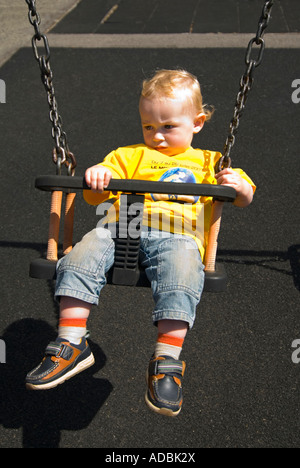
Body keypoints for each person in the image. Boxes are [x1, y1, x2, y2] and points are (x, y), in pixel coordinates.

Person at [26, 69, 255, 416]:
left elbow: (244, 196)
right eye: (148, 126)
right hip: (124, 222)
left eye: (168, 126)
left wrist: (238, 185)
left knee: (181, 278)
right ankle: (71, 343)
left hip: (179, 234)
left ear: (198, 122)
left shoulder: (211, 162)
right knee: (78, 258)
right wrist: (98, 177)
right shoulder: (128, 155)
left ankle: (167, 361)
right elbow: (94, 190)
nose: (157, 136)